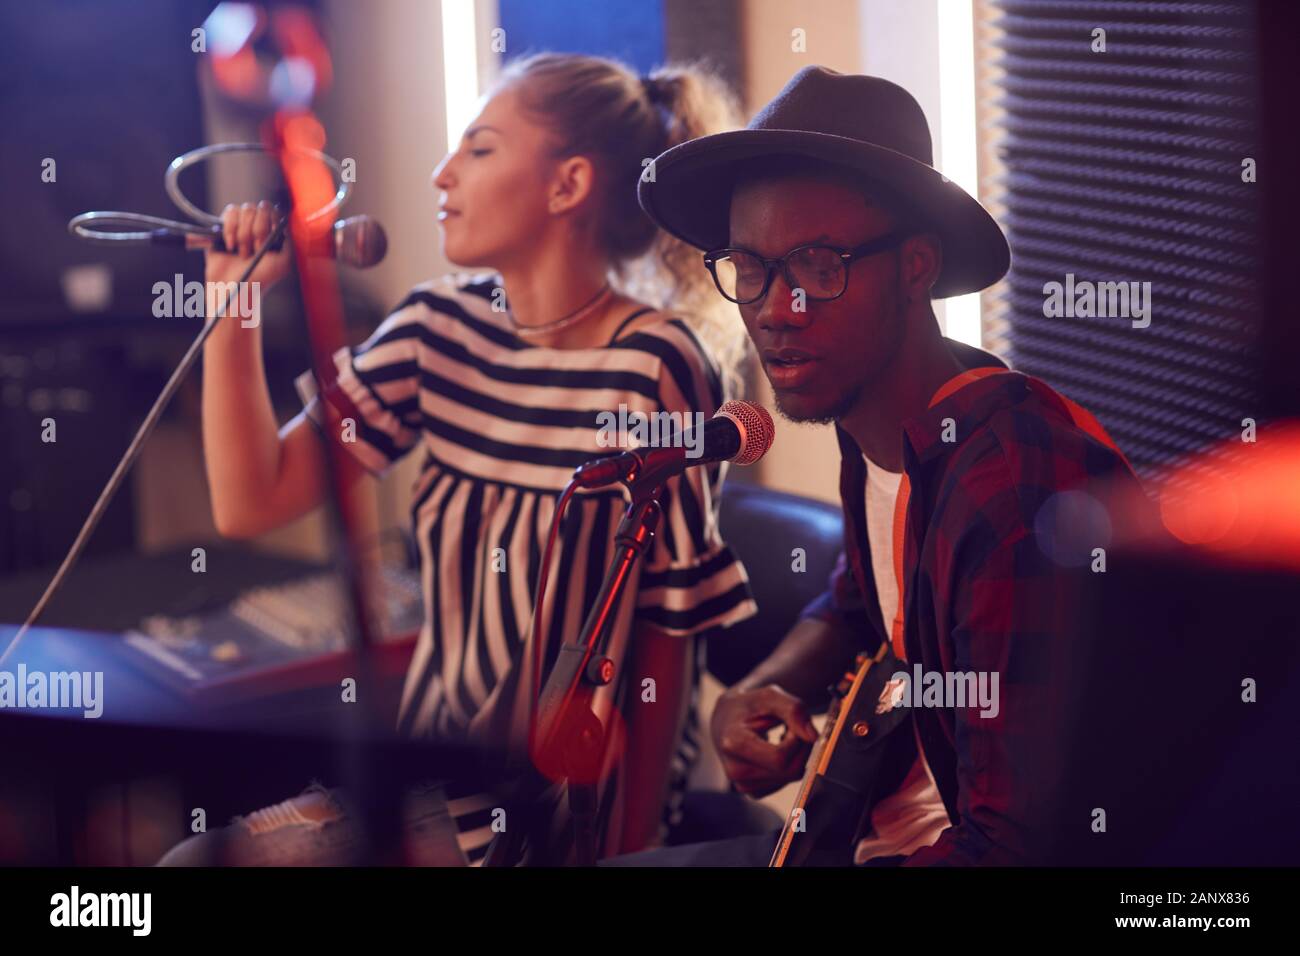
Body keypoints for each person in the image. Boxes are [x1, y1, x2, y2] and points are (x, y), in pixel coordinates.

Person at [160, 53, 756, 866]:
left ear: (566, 185)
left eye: (479, 149)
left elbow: (667, 638)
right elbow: (251, 499)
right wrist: (234, 301)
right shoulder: (437, 328)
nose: (442, 175)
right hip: (423, 772)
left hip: (556, 808)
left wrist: (631, 851)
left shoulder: (655, 366)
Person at [611, 66, 1149, 866]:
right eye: (749, 266)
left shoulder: (1013, 493)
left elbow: (1015, 851)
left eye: (818, 265)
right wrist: (770, 685)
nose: (773, 308)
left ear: (915, 267)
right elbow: (864, 601)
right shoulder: (879, 422)